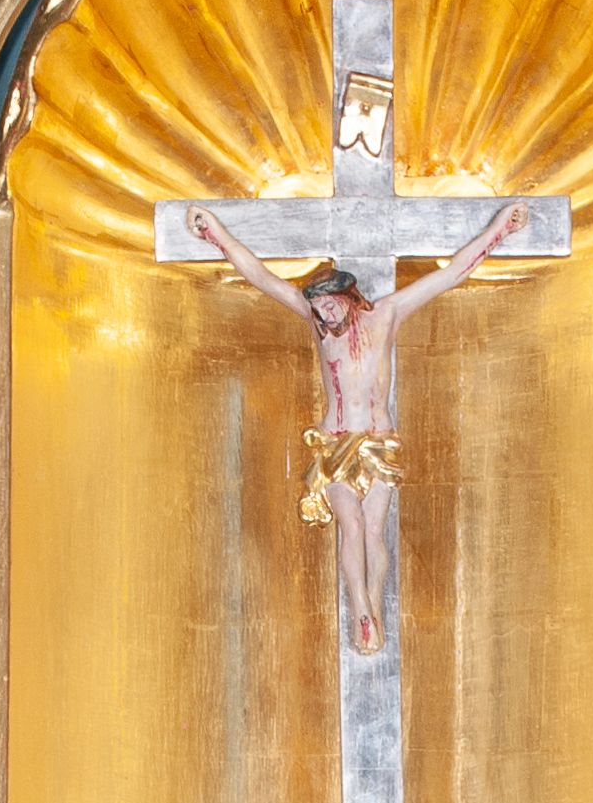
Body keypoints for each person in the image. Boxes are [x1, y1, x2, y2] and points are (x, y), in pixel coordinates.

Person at [189, 200, 530, 657]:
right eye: (318, 307)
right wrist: (215, 233)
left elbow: (450, 274)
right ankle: (360, 609)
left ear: (349, 296)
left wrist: (500, 231)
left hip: (379, 443)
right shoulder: (318, 327)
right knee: (350, 526)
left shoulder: (386, 314)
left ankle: (374, 603)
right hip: (335, 442)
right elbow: (262, 278)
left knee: (374, 531)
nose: (325, 314)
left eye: (330, 304)